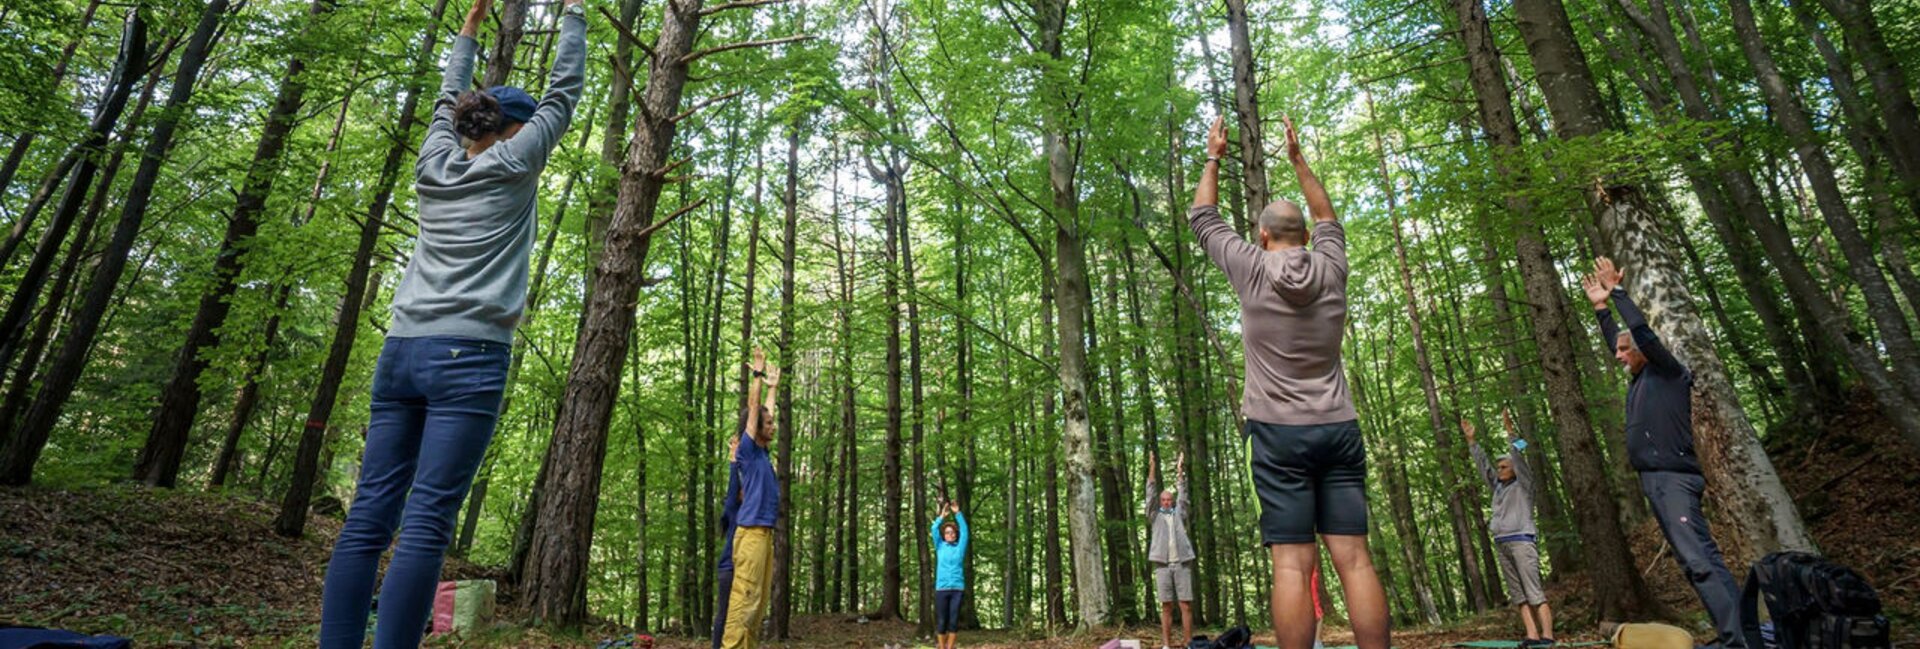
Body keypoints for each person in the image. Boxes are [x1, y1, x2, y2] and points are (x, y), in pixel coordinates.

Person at [316, 0, 586, 645]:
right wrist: (574, 13)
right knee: (428, 521)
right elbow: (565, 91)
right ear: (514, 130)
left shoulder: (433, 163)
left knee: (367, 519)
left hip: (402, 351)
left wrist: (467, 29)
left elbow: (446, 99)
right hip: (470, 355)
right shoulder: (516, 163)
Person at [1189, 115, 1388, 649]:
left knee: (1292, 565)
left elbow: (1203, 217)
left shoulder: (1250, 267)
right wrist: (1299, 161)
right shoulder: (1332, 265)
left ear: (1262, 235)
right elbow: (1328, 216)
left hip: (1276, 435)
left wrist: (1213, 156)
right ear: (1307, 237)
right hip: (1338, 428)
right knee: (1355, 558)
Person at [1582, 257, 1744, 649]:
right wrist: (1601, 309)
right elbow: (1621, 340)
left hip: (1674, 478)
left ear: (1644, 351)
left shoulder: (1669, 372)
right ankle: (1736, 634)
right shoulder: (1639, 378)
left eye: (1625, 350)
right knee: (1693, 561)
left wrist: (1618, 294)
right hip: (1655, 481)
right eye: (1618, 351)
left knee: (1700, 560)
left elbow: (1640, 333)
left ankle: (1738, 639)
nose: (1618, 355)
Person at [1465, 411, 1554, 647]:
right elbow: (1483, 467)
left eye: (1504, 466)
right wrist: (1472, 441)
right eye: (1499, 467)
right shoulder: (1498, 488)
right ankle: (1532, 635)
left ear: (1515, 469)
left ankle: (1547, 636)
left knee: (1534, 591)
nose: (1500, 470)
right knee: (1518, 594)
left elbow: (1520, 456)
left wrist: (1511, 433)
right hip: (1502, 543)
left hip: (1522, 541)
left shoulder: (1524, 485)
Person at [722, 349, 782, 649]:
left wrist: (773, 388)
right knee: (744, 601)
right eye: (768, 424)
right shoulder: (747, 450)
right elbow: (754, 409)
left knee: (757, 607)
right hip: (751, 535)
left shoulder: (762, 453)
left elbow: (764, 412)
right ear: (756, 429)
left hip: (764, 534)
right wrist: (757, 376)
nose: (773, 426)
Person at [1144, 451, 1195, 649]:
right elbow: (1150, 493)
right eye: (1163, 499)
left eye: (1169, 499)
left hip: (1182, 563)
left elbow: (1184, 495)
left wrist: (1180, 470)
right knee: (1166, 605)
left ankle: (1188, 643)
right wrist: (1152, 467)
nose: (1166, 502)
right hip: (1162, 565)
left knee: (1185, 605)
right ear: (1160, 502)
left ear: (1172, 501)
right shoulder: (1154, 516)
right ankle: (1166, 644)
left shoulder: (1179, 514)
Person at [712, 434, 745, 649]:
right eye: (743, 489)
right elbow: (734, 486)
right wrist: (734, 457)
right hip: (729, 569)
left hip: (742, 568)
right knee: (724, 614)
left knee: (741, 615)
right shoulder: (734, 509)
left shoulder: (749, 511)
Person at [931, 501, 970, 649]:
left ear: (955, 534)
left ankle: (950, 647)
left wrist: (958, 513)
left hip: (957, 589)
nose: (950, 534)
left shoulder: (960, 547)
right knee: (941, 622)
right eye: (947, 532)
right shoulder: (940, 546)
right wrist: (942, 516)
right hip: (941, 589)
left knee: (953, 622)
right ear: (944, 535)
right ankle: (942, 647)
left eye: (952, 532)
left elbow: (965, 531)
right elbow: (934, 529)